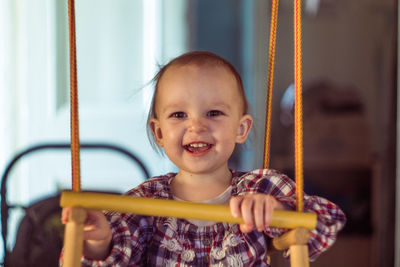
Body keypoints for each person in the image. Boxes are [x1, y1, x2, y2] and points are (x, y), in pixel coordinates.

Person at [61, 51, 346, 266]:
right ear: (158, 132)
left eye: (213, 113)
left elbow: (325, 223)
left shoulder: (261, 188)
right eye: (179, 115)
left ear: (241, 129)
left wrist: (276, 210)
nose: (196, 126)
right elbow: (116, 251)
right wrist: (99, 241)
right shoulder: (147, 202)